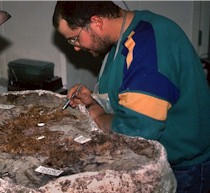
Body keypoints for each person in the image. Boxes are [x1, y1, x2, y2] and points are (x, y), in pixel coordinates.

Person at [52, 1, 210, 193]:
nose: (76, 47)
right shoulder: (123, 39)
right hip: (163, 162)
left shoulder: (149, 43)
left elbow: (138, 129)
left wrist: (97, 115)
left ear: (96, 22)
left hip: (185, 171)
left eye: (74, 39)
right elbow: (126, 98)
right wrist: (93, 100)